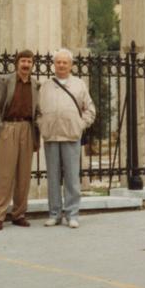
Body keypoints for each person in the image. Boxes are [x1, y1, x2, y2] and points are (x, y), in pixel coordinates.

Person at [39, 48, 96, 229]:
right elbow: (37, 111)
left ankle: (72, 214)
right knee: (53, 177)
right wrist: (42, 125)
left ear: (71, 65)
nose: (61, 65)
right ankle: (54, 214)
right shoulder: (45, 86)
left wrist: (80, 124)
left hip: (71, 135)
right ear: (53, 64)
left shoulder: (79, 84)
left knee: (72, 177)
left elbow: (90, 110)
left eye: (65, 62)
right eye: (58, 62)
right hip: (51, 136)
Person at [0, 49, 40, 231]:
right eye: (23, 61)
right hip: (8, 127)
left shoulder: (36, 84)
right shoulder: (4, 81)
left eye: (29, 62)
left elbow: (37, 111)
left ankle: (19, 214)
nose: (26, 64)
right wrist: (0, 127)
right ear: (17, 63)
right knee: (6, 174)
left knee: (24, 175)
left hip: (27, 128)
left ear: (33, 65)